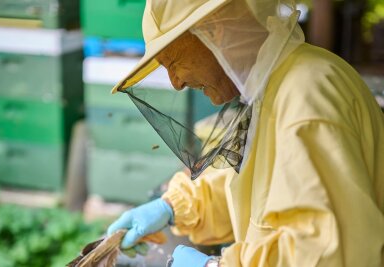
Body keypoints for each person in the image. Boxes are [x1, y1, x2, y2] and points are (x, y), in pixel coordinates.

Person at [107, 0, 384, 266]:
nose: (176, 82)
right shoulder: (276, 84)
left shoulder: (306, 97)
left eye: (172, 61)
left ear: (213, 30)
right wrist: (173, 207)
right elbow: (255, 187)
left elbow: (323, 255)